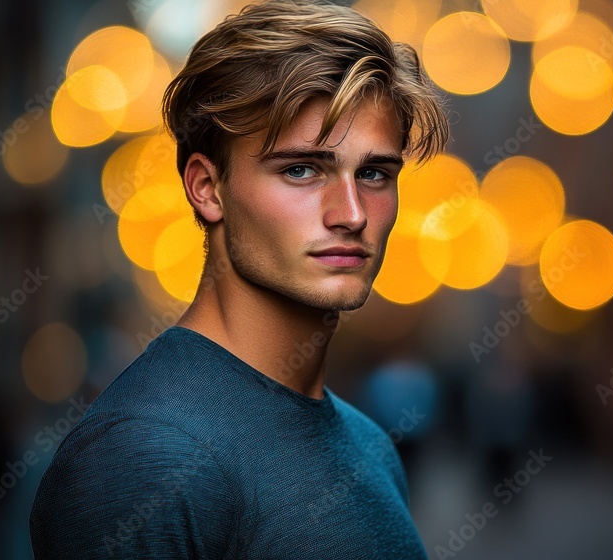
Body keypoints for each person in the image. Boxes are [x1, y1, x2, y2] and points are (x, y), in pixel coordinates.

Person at [29, 0, 449, 557]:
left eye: (373, 173)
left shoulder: (372, 448)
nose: (351, 212)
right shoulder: (144, 458)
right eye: (301, 169)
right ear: (207, 187)